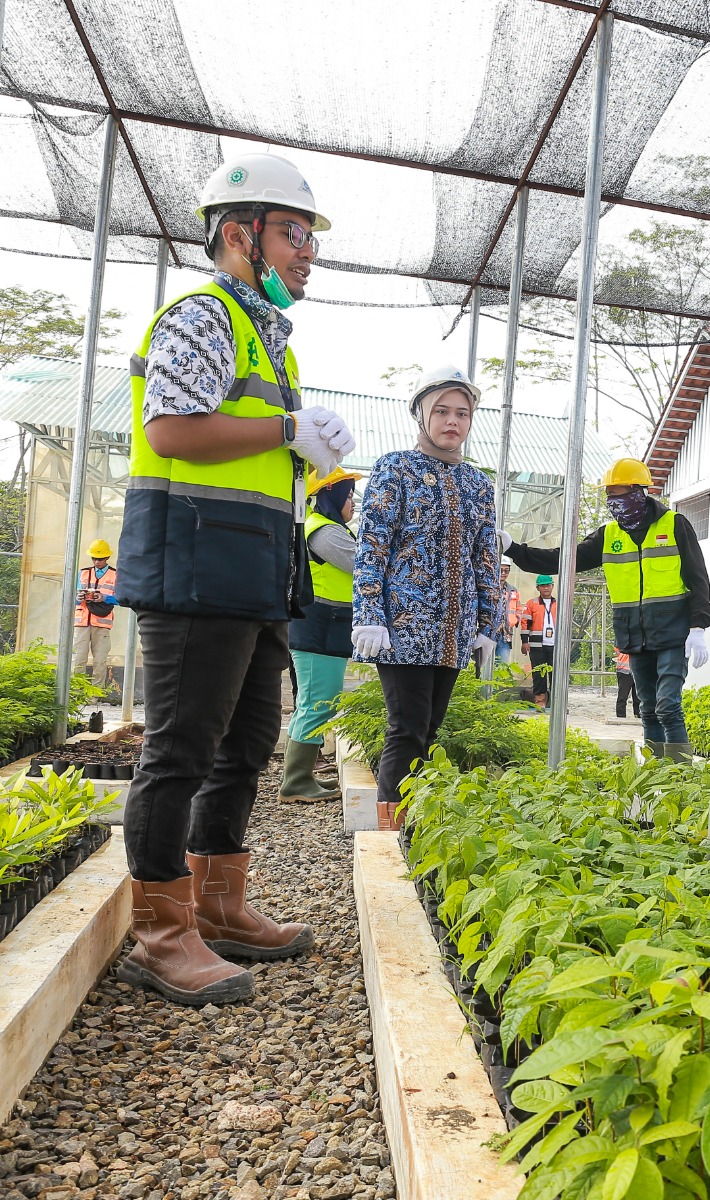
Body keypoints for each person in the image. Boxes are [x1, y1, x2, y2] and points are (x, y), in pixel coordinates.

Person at [116, 153, 354, 1006]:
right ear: (238, 232)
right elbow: (175, 430)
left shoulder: (262, 333)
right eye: (294, 233)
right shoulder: (203, 315)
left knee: (247, 745)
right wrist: (287, 428)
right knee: (179, 751)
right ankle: (159, 934)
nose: (306, 252)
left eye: (307, 238)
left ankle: (218, 907)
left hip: (251, 571)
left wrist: (294, 440)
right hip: (195, 565)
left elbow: (248, 442)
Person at [351, 366, 500, 817]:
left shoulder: (478, 484)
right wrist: (368, 612)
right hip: (403, 626)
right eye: (441, 411)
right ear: (421, 415)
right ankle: (390, 828)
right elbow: (372, 543)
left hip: (455, 629)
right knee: (408, 729)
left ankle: (412, 823)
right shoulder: (395, 468)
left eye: (462, 413)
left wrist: (489, 624)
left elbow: (486, 558)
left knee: (430, 730)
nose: (452, 421)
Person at [505, 457, 710, 760]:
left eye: (620, 493)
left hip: (673, 633)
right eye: (610, 495)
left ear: (641, 491)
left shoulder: (674, 524)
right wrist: (514, 549)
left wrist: (698, 626)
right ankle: (658, 773)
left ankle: (680, 772)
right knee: (649, 709)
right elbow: (561, 558)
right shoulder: (608, 536)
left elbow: (698, 577)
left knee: (668, 705)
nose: (614, 501)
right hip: (635, 638)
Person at [281, 466, 363, 804]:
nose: (353, 502)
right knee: (316, 703)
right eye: (348, 496)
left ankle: (304, 775)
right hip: (318, 628)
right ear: (331, 496)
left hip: (327, 628)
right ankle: (296, 781)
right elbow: (362, 565)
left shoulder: (329, 528)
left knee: (317, 702)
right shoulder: (325, 532)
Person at [72, 538, 118, 691]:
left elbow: (122, 599)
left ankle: (95, 695)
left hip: (102, 623)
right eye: (94, 558)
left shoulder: (115, 575)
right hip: (81, 623)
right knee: (78, 660)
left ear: (107, 558)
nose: (97, 561)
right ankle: (75, 693)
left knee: (100, 661)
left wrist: (104, 598)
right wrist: (77, 599)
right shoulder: (83, 573)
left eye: (101, 558)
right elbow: (72, 598)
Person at [524, 574, 558, 709]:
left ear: (552, 586)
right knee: (538, 673)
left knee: (555, 674)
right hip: (537, 644)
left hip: (555, 644)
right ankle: (540, 700)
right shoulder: (531, 603)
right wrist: (524, 641)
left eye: (548, 585)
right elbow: (525, 623)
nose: (546, 588)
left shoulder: (558, 604)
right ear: (538, 587)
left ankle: (556, 701)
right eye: (543, 586)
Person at [496, 563, 520, 668]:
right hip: (489, 634)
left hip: (505, 635)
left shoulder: (513, 590)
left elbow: (518, 608)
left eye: (506, 571)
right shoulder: (487, 587)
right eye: (501, 570)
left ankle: (497, 685)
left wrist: (516, 619)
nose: (503, 573)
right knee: (485, 667)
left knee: (501, 667)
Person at [614, 649, 640, 718]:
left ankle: (638, 715)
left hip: (637, 669)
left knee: (638, 697)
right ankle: (621, 715)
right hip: (624, 670)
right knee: (623, 696)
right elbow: (617, 649)